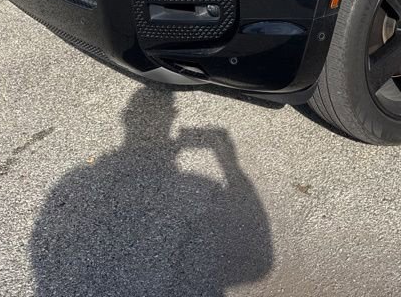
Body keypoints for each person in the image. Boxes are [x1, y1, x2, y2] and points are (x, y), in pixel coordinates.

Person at [30, 86, 272, 296]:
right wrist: (228, 158)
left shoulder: (73, 180)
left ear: (125, 118)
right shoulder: (201, 184)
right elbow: (258, 265)